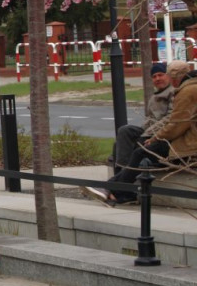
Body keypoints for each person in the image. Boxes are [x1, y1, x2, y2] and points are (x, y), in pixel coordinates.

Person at [83, 60, 197, 206]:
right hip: (183, 138)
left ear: (173, 78)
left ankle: (117, 190)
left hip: (188, 144)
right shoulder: (189, 88)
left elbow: (177, 124)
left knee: (141, 153)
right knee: (131, 142)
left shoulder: (187, 91)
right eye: (154, 76)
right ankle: (114, 188)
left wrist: (155, 138)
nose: (160, 79)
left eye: (164, 75)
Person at [111, 62, 174, 172]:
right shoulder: (154, 96)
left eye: (160, 75)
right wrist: (143, 130)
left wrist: (148, 133)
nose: (157, 78)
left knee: (133, 144)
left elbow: (170, 117)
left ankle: (125, 172)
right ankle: (121, 170)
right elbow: (148, 119)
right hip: (149, 130)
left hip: (161, 133)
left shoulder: (173, 92)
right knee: (124, 132)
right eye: (154, 76)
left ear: (168, 76)